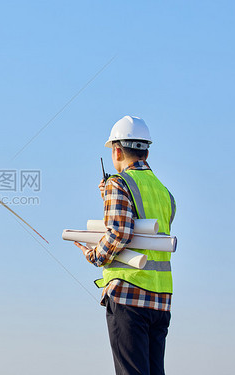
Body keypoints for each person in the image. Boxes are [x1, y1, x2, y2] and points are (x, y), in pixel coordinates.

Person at [75, 115, 176, 375]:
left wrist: (94, 255)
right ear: (147, 151)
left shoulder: (118, 184)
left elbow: (119, 232)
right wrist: (111, 195)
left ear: (117, 150)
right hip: (161, 300)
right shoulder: (165, 192)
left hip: (129, 296)